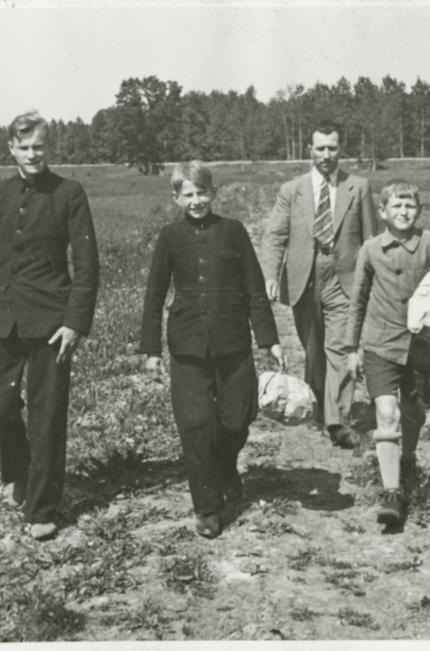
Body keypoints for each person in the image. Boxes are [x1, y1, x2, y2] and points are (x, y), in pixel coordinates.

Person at [0, 110, 100, 541]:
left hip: (52, 322)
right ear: (11, 149)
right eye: (25, 147)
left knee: (47, 417)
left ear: (49, 148)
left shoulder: (69, 193)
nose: (33, 155)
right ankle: (18, 469)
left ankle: (41, 508)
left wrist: (75, 323)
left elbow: (87, 266)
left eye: (40, 147)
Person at [139, 161, 286, 539]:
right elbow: (155, 293)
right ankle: (206, 506)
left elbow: (254, 288)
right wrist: (151, 349)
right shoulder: (170, 236)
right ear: (176, 197)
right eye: (188, 194)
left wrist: (269, 339)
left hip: (233, 342)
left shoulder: (233, 231)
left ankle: (224, 468)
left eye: (202, 192)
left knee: (237, 419)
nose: (196, 201)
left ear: (213, 193)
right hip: (187, 346)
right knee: (196, 425)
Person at [260, 120, 379, 449]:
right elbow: (274, 236)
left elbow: (372, 239)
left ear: (341, 150)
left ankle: (338, 421)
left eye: (332, 148)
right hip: (304, 279)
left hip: (344, 280)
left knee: (340, 348)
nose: (326, 155)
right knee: (313, 348)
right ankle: (317, 404)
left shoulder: (358, 187)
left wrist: (376, 281)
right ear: (309, 150)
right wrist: (270, 275)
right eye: (320, 148)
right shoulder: (292, 190)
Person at [345, 180, 430, 529]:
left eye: (409, 206)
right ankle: (392, 493)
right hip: (380, 344)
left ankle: (407, 458)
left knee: (413, 411)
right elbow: (358, 301)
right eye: (396, 206)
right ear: (382, 212)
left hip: (418, 346)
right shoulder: (371, 249)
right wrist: (351, 348)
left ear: (418, 210)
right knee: (386, 412)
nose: (403, 212)